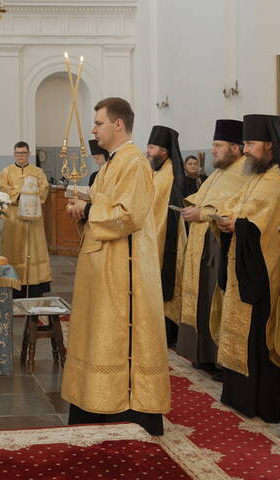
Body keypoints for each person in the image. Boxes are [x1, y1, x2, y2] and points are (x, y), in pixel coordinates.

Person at [61, 98, 170, 435]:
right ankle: (93, 405)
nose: (94, 130)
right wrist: (84, 206)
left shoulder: (133, 162)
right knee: (96, 336)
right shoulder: (112, 163)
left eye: (99, 123)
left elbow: (129, 215)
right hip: (103, 266)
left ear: (118, 124)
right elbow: (104, 204)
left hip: (124, 272)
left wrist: (87, 209)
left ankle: (122, 411)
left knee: (116, 338)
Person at [213, 114, 280, 423]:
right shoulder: (255, 176)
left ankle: (262, 402)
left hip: (265, 269)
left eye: (251, 143)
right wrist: (225, 221)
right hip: (242, 265)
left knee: (258, 334)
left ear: (269, 145)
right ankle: (237, 394)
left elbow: (263, 224)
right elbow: (236, 208)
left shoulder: (279, 181)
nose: (247, 149)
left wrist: (236, 223)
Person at [176, 120, 247, 376]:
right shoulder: (218, 172)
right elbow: (203, 198)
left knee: (215, 300)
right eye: (214, 144)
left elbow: (236, 208)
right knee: (203, 299)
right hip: (203, 243)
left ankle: (217, 358)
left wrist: (202, 214)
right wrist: (193, 208)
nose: (213, 150)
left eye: (218, 145)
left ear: (236, 148)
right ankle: (203, 354)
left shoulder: (244, 172)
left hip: (219, 245)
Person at [146, 125, 187, 347]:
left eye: (152, 147)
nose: (148, 151)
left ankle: (168, 333)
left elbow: (163, 209)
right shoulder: (158, 171)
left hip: (166, 236)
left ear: (164, 151)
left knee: (167, 281)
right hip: (153, 233)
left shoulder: (170, 173)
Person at [0, 141, 52, 297]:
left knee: (34, 248)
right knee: (14, 247)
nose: (20, 156)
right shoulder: (6, 172)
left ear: (28, 154)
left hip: (33, 216)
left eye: (23, 153)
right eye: (18, 153)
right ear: (14, 154)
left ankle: (35, 285)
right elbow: (4, 189)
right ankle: (13, 283)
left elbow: (44, 189)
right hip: (14, 217)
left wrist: (29, 195)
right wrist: (23, 193)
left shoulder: (38, 172)